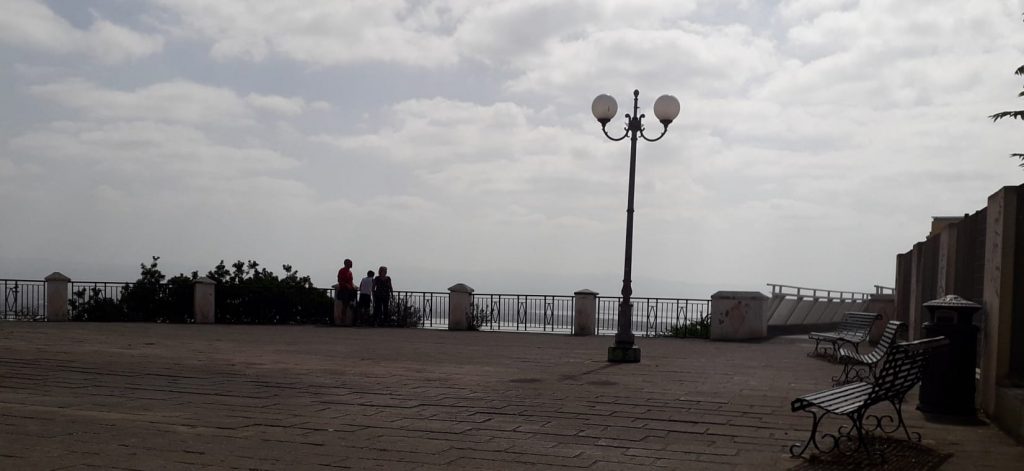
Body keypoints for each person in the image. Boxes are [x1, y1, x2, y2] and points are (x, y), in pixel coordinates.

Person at [335, 259, 356, 325]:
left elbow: (351, 281)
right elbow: (340, 280)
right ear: (346, 264)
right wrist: (346, 285)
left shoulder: (350, 272)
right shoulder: (342, 270)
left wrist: (352, 286)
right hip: (344, 290)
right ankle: (342, 320)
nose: (352, 264)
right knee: (345, 305)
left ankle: (347, 319)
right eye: (350, 263)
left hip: (350, 290)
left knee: (349, 304)